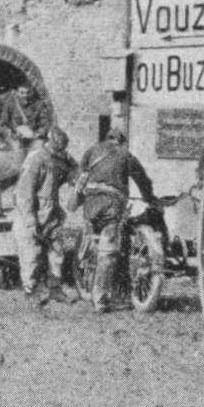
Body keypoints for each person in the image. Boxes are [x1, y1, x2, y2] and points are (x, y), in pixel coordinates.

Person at [72, 127, 155, 313]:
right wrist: (149, 198)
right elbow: (141, 178)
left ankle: (86, 278)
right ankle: (100, 301)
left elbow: (79, 174)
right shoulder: (125, 155)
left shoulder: (91, 151)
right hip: (112, 206)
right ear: (122, 141)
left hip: (90, 204)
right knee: (108, 253)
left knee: (93, 242)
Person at [12, 126, 79, 304]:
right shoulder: (36, 159)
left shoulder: (61, 158)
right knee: (31, 255)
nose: (61, 151)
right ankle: (31, 291)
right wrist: (30, 220)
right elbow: (24, 193)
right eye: (58, 148)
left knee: (57, 253)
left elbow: (74, 169)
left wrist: (77, 177)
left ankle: (55, 289)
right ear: (51, 143)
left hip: (51, 214)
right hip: (30, 214)